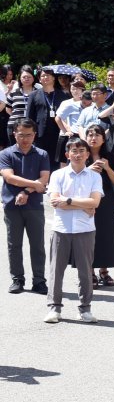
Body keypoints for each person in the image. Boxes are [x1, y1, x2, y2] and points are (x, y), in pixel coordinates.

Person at [44, 137, 103, 324]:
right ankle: (54, 308)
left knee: (85, 271)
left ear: (87, 154)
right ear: (67, 154)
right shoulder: (58, 175)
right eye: (74, 151)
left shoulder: (95, 176)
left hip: (85, 229)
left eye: (81, 151)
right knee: (56, 269)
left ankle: (85, 309)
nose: (77, 155)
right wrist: (82, 204)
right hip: (61, 228)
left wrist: (68, 201)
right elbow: (55, 201)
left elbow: (94, 203)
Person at [1, 117, 51, 294]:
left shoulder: (42, 154)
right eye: (21, 135)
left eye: (29, 135)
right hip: (11, 205)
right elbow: (9, 177)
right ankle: (17, 279)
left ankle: (39, 280)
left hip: (34, 205)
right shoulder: (6, 154)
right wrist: (35, 184)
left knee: (37, 244)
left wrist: (26, 191)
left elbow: (44, 178)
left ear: (34, 135)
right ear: (14, 134)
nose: (25, 139)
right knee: (14, 244)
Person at [80, 124, 114, 287]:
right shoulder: (81, 155)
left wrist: (107, 167)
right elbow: (74, 176)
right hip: (85, 200)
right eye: (90, 135)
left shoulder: (111, 156)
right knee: (88, 236)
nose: (93, 138)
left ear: (103, 139)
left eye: (97, 135)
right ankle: (89, 271)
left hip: (106, 201)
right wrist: (89, 169)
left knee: (106, 236)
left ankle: (104, 271)